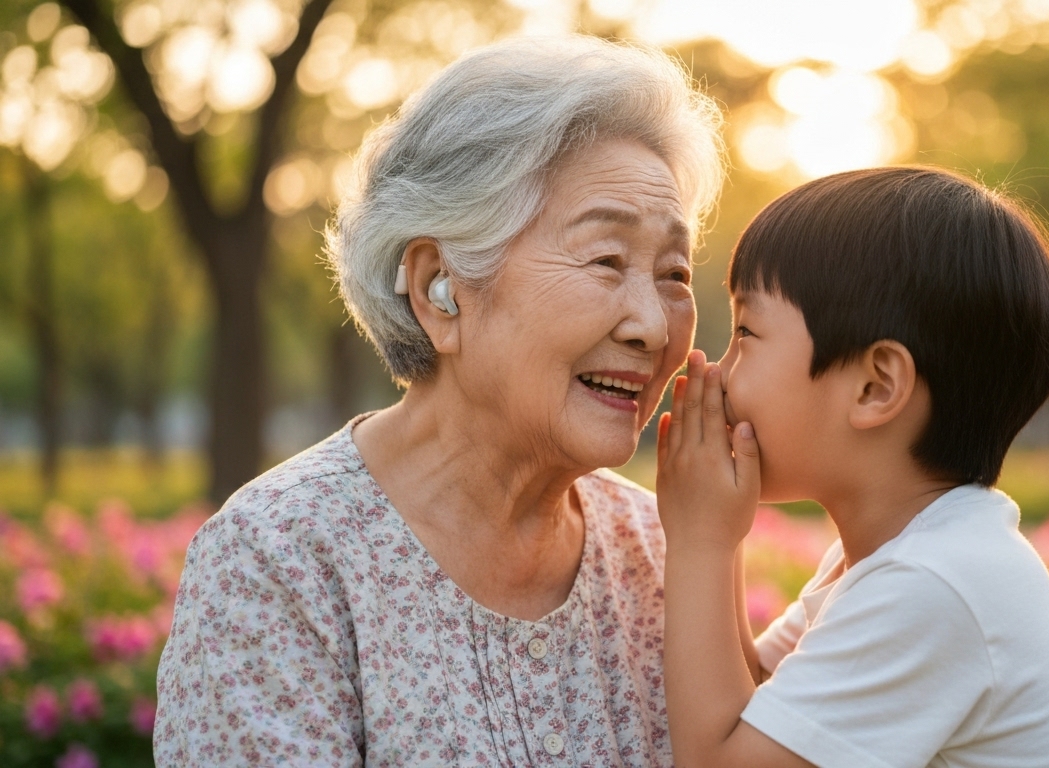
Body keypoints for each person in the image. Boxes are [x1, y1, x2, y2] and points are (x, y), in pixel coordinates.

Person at [154, 36, 724, 766]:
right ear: (438, 291)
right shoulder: (279, 562)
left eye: (673, 272)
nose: (652, 324)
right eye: (607, 259)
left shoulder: (664, 548)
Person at [655, 167, 1049, 767]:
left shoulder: (935, 583)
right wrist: (721, 531)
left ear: (875, 388)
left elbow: (718, 762)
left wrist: (701, 541)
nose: (719, 374)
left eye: (747, 333)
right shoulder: (913, 552)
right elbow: (754, 698)